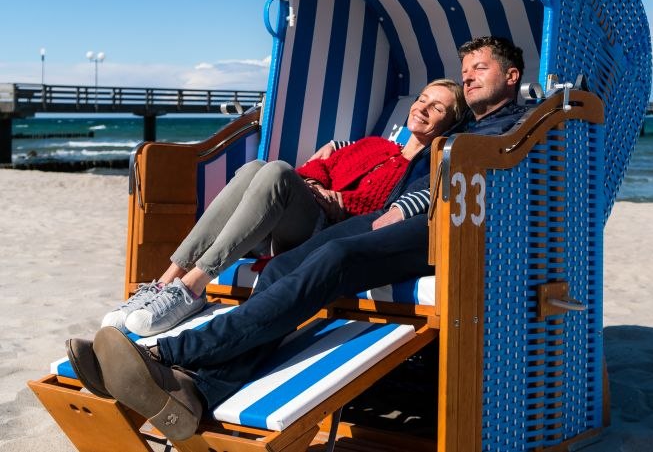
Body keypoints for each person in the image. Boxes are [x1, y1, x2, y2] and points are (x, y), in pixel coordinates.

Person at [67, 36, 530, 442]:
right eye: (465, 70)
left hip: (447, 231)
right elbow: (416, 178)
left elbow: (456, 184)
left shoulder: (521, 127)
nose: (469, 78)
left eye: (479, 69)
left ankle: (169, 352)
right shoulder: (464, 128)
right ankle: (198, 391)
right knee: (286, 266)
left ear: (511, 77)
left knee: (335, 255)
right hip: (406, 217)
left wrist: (399, 207)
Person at [102, 79, 466, 337]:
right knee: (254, 169)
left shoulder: (418, 172)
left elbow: (375, 212)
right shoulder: (371, 145)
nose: (423, 108)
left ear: (449, 122)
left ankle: (193, 288)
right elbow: (319, 167)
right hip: (292, 218)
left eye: (438, 107)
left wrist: (333, 201)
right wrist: (315, 185)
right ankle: (166, 282)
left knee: (274, 170)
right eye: (422, 99)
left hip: (324, 234)